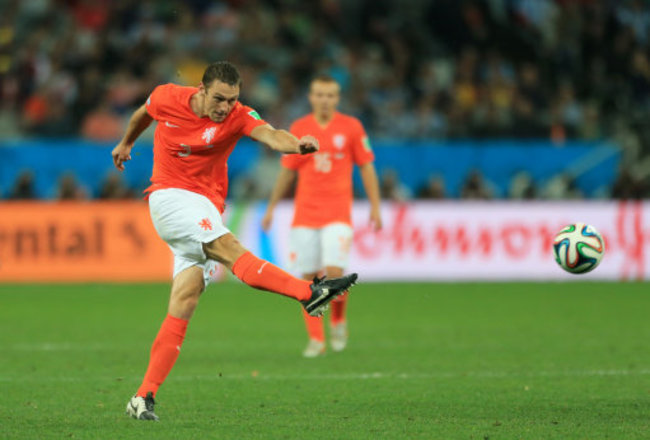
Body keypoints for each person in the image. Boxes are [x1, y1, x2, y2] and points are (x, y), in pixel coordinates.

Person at [111, 62, 358, 421]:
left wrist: (297, 145)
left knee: (185, 298)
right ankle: (308, 293)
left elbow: (271, 134)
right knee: (230, 250)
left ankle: (143, 396)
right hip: (170, 197)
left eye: (232, 100)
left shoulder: (238, 116)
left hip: (207, 208)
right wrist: (126, 142)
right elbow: (142, 114)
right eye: (219, 99)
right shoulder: (168, 97)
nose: (225, 107)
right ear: (201, 90)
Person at [261, 75, 382, 358]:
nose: (325, 100)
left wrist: (375, 205)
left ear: (337, 98)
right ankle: (316, 339)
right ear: (311, 97)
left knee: (335, 273)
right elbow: (287, 171)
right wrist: (270, 207)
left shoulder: (351, 127)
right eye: (319, 94)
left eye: (330, 95)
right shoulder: (301, 128)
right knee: (308, 281)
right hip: (305, 215)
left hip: (338, 213)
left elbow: (366, 166)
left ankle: (338, 321)